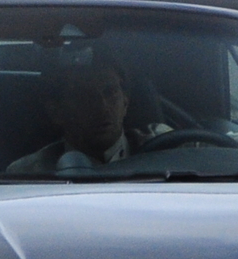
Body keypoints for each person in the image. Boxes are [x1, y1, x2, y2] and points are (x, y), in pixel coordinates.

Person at [8, 59, 149, 173]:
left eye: (110, 92)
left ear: (125, 102)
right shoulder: (29, 174)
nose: (102, 108)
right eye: (84, 97)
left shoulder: (160, 153)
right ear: (56, 112)